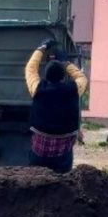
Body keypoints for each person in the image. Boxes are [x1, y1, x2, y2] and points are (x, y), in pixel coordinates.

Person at [24, 38, 88, 173]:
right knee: (62, 183)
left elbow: (31, 68)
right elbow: (82, 78)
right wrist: (66, 63)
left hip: (39, 152)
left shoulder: (37, 88)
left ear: (45, 76)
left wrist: (41, 48)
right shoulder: (74, 89)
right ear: (63, 76)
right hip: (62, 154)